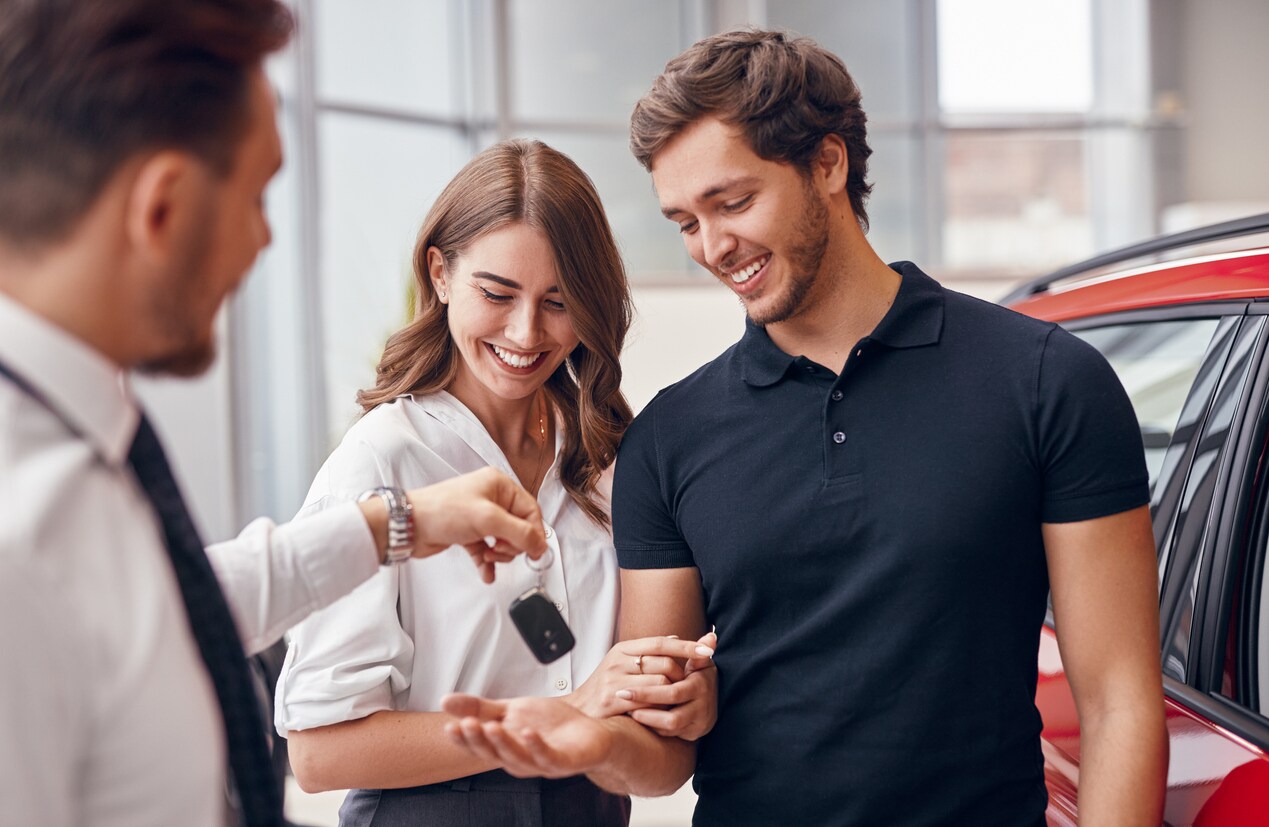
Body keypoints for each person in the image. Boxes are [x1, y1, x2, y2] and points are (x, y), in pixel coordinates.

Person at [442, 28, 1169, 827]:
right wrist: (592, 742)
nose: (713, 247)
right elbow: (660, 754)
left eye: (733, 202)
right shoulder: (671, 437)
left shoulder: (1044, 381)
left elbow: (1117, 703)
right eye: (685, 221)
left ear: (827, 164)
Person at [0, 3, 550, 827]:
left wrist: (395, 525)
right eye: (259, 197)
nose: (264, 240)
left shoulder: (73, 446)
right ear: (163, 207)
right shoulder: (24, 526)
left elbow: (166, 603)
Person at [274, 138, 718, 826]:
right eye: (496, 293)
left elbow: (661, 765)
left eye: (558, 301)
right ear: (441, 272)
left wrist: (680, 709)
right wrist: (561, 715)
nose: (525, 330)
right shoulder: (383, 461)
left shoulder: (614, 462)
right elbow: (319, 752)